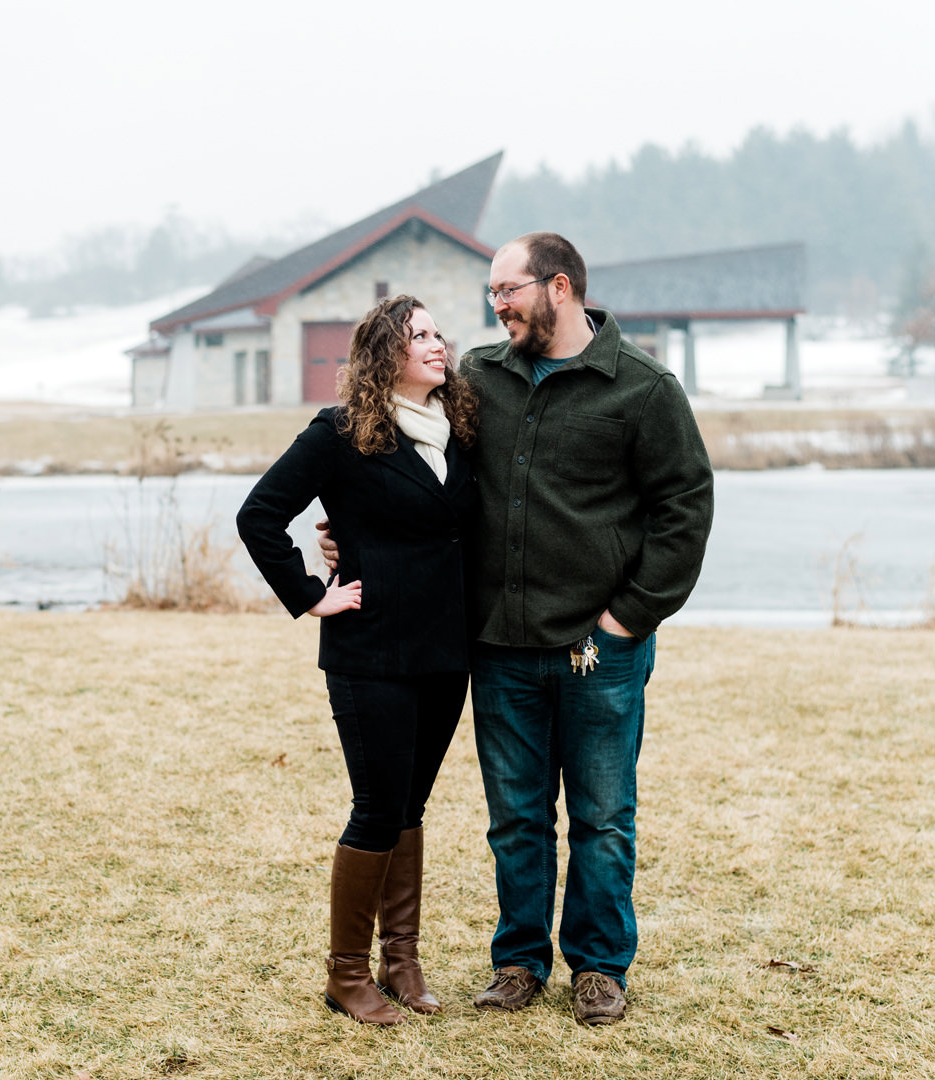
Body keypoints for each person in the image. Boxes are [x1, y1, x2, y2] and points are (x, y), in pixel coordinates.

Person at [320, 233, 714, 1025]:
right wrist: (351, 536)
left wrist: (625, 619)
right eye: (492, 293)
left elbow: (686, 510)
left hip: (599, 648)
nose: (496, 305)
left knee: (602, 816)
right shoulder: (480, 380)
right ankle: (519, 962)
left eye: (509, 290)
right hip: (498, 645)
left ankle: (600, 969)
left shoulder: (642, 388)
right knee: (517, 818)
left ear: (559, 287)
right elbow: (411, 462)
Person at [236, 295, 480, 1026]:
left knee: (410, 807)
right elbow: (259, 514)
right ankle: (347, 976)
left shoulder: (460, 430)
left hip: (446, 651)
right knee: (376, 808)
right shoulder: (340, 433)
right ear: (386, 354)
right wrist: (313, 594)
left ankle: (400, 961)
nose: (439, 345)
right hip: (371, 652)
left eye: (439, 333)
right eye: (421, 336)